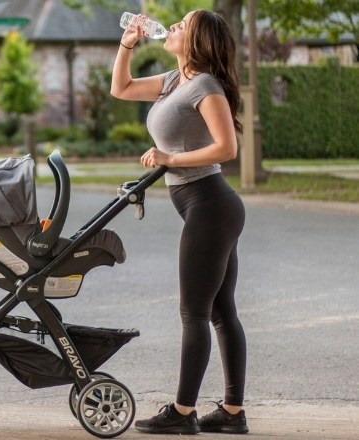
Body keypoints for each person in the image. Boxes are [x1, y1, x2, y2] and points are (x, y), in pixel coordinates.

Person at [110, 9, 249, 435]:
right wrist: (127, 43)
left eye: (182, 25)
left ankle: (183, 413)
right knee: (221, 311)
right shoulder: (175, 81)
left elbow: (227, 148)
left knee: (195, 312)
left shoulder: (205, 85)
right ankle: (231, 413)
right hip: (203, 206)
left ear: (198, 40)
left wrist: (170, 158)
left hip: (210, 204)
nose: (171, 27)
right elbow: (122, 88)